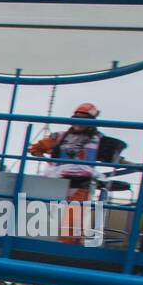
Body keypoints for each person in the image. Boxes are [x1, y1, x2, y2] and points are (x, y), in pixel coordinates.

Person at [28, 103, 101, 244]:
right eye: (76, 117)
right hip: (57, 183)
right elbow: (34, 148)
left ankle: (65, 248)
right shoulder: (59, 137)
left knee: (71, 222)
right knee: (47, 217)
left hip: (80, 186)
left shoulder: (98, 139)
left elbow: (113, 155)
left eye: (83, 118)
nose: (79, 121)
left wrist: (132, 165)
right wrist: (51, 164)